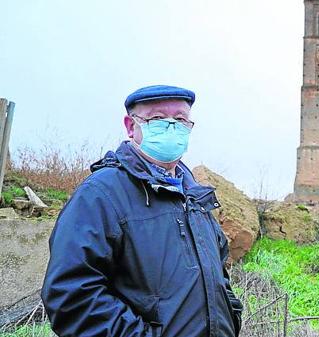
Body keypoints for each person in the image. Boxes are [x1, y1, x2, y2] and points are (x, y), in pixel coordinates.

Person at [42, 85, 243, 337]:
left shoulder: (195, 197)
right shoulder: (101, 194)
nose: (171, 127)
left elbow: (218, 275)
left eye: (180, 119)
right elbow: (71, 296)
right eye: (158, 118)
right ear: (130, 126)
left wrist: (232, 316)